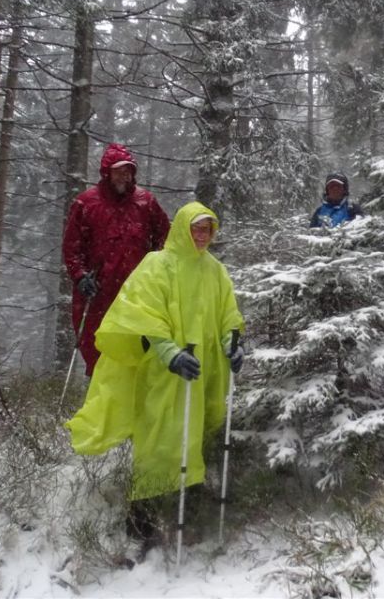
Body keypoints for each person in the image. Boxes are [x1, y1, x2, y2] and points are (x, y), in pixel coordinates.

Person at [65, 201, 245, 543]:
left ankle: (187, 512)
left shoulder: (215, 271)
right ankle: (141, 521)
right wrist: (169, 353)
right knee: (159, 440)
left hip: (203, 371)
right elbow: (142, 313)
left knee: (195, 435)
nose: (202, 235)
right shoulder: (157, 265)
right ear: (181, 228)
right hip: (165, 372)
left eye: (207, 229)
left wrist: (233, 344)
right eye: (196, 228)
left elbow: (228, 315)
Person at [63, 143, 170, 376]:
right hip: (98, 292)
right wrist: (81, 276)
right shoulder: (86, 203)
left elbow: (166, 235)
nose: (124, 176)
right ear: (106, 172)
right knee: (98, 350)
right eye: (119, 170)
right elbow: (72, 247)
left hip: (138, 291)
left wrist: (156, 265)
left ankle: (135, 404)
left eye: (128, 170)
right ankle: (100, 404)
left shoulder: (146, 202)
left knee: (138, 349)